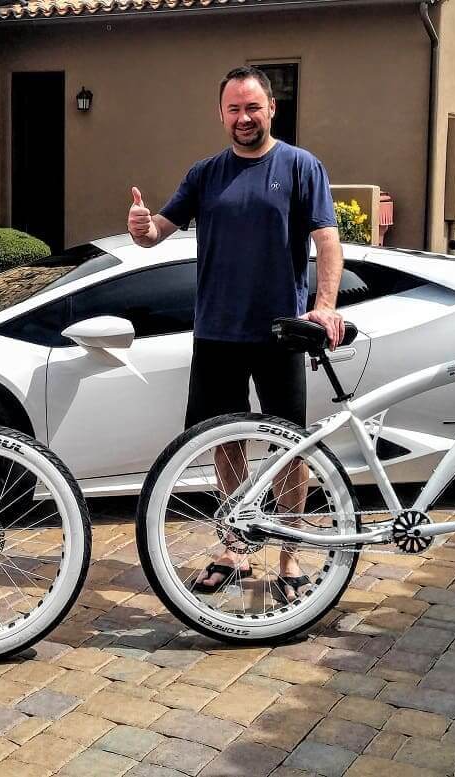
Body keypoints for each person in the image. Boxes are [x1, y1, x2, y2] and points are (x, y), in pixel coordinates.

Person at [127, 65, 347, 604]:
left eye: (252, 107)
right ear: (221, 113)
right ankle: (235, 548)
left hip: (281, 333)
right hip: (217, 333)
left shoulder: (301, 166)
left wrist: (323, 308)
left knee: (290, 448)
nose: (243, 118)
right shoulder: (205, 174)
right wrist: (142, 227)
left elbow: (327, 241)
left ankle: (290, 552)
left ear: (271, 108)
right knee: (224, 444)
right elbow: (160, 230)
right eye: (233, 109)